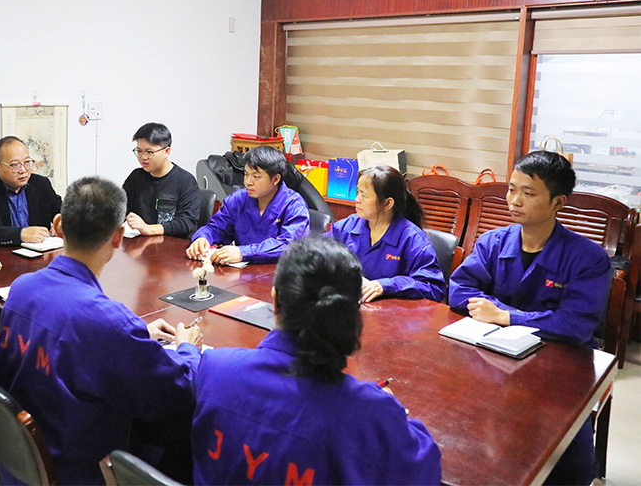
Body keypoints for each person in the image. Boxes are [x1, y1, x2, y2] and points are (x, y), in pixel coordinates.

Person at [0, 176, 203, 485]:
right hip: (79, 467)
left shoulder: (22, 288)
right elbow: (172, 391)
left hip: (20, 457)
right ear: (119, 237)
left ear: (58, 225)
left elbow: (72, 341)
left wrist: (135, 335)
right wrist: (188, 349)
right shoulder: (108, 322)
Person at [191, 237, 442, 485]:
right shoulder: (371, 414)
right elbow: (425, 470)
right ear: (351, 313)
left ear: (275, 301)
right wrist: (394, 411)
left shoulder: (214, 369)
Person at [448, 150, 610, 485]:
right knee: (464, 443)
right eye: (511, 189)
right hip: (493, 361)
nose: (514, 200)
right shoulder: (493, 242)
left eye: (528, 193)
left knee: (571, 467)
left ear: (558, 202)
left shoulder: (588, 258)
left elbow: (574, 325)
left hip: (562, 374)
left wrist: (504, 316)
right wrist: (500, 314)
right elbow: (459, 290)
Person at [327, 165, 446, 303]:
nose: (357, 199)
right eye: (358, 192)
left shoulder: (412, 239)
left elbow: (433, 288)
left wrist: (386, 285)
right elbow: (319, 254)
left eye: (364, 195)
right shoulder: (348, 226)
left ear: (387, 203)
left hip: (391, 312)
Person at [186, 146, 309, 265]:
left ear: (275, 179)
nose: (248, 182)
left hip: (279, 272)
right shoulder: (238, 199)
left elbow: (289, 245)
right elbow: (216, 228)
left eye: (256, 176)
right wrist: (203, 238)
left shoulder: (294, 206)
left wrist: (243, 252)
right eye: (246, 174)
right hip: (242, 271)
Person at [0, 136, 62, 246]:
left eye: (27, 162)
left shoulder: (41, 184)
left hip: (40, 252)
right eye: (15, 165)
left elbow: (63, 211)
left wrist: (61, 222)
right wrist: (20, 234)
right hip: (2, 254)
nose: (23, 170)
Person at [123, 122, 200, 239]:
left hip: (173, 245)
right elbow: (121, 210)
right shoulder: (136, 177)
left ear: (167, 151)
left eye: (150, 152)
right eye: (139, 151)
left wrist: (149, 229)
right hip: (140, 243)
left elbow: (186, 223)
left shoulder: (186, 181)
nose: (143, 157)